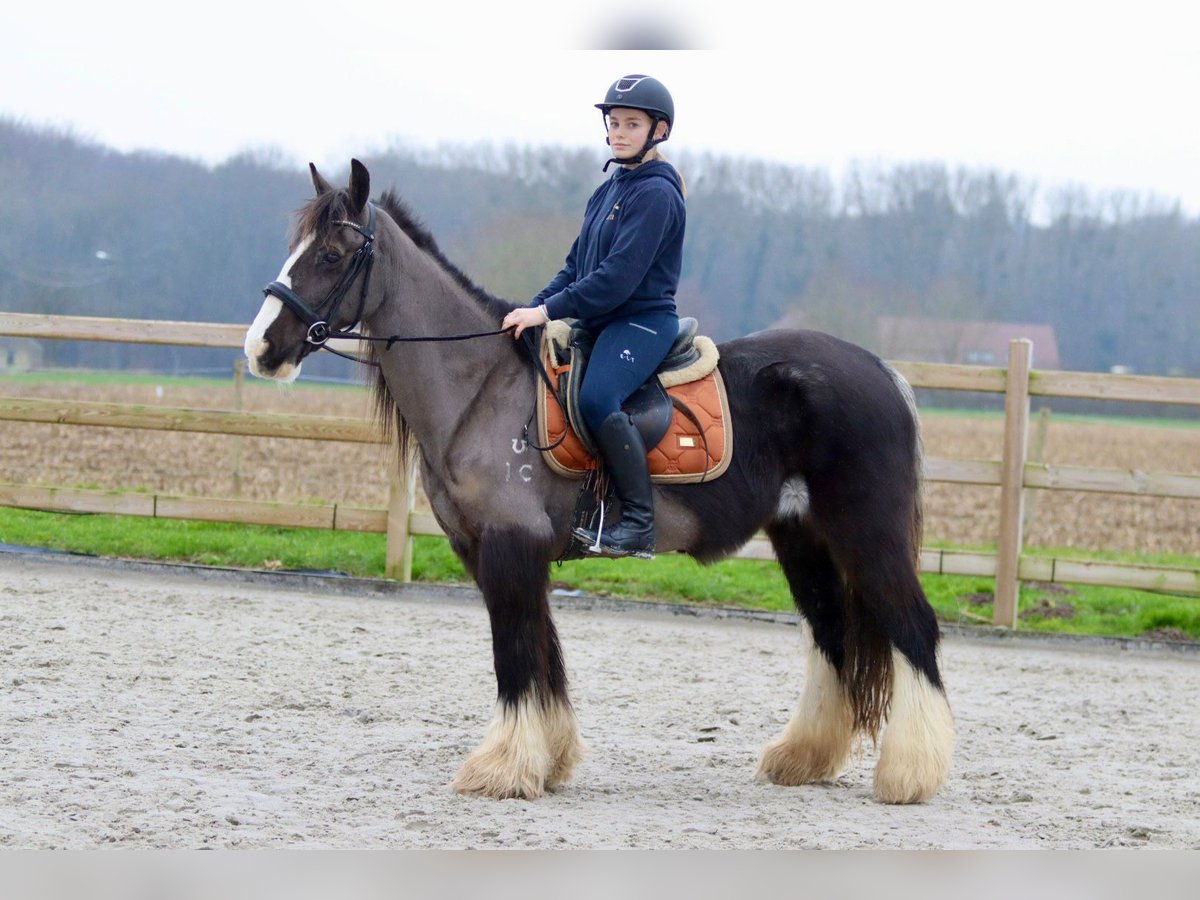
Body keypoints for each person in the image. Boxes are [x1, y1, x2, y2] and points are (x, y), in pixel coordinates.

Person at [502, 74, 686, 558]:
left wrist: (547, 311)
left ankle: (639, 525)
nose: (619, 132)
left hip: (642, 320)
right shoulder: (608, 189)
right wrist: (530, 311)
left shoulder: (657, 194)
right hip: (600, 321)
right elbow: (575, 268)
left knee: (599, 397)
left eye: (631, 123)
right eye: (614, 123)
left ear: (659, 131)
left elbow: (616, 280)